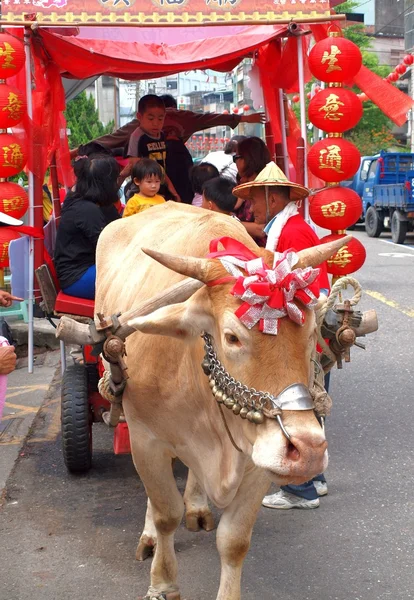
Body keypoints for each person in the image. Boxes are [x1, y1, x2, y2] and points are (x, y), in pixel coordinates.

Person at [233, 161, 330, 510]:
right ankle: (314, 480)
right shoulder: (284, 228)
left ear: (272, 199)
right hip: (301, 336)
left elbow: (308, 293)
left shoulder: (292, 234)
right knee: (309, 408)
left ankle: (300, 490)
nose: (252, 208)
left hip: (301, 339)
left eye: (255, 201)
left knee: (300, 408)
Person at [75, 97, 265, 156]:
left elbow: (211, 118)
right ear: (141, 116)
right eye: (152, 118)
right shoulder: (137, 130)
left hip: (174, 169)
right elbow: (111, 139)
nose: (157, 124)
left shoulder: (187, 118)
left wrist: (246, 119)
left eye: (162, 118)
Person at [54, 155, 121, 300]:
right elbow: (107, 248)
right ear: (105, 183)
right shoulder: (87, 210)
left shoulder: (93, 202)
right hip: (77, 277)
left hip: (87, 268)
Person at [121, 94, 181, 202]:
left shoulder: (162, 135)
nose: (156, 123)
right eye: (151, 118)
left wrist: (171, 188)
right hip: (142, 192)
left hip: (159, 188)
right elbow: (133, 164)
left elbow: (161, 167)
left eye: (160, 119)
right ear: (139, 117)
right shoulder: (137, 137)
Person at [232, 136, 271, 246]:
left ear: (247, 159)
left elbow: (261, 229)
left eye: (236, 158)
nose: (235, 163)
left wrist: (229, 222)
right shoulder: (242, 182)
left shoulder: (266, 186)